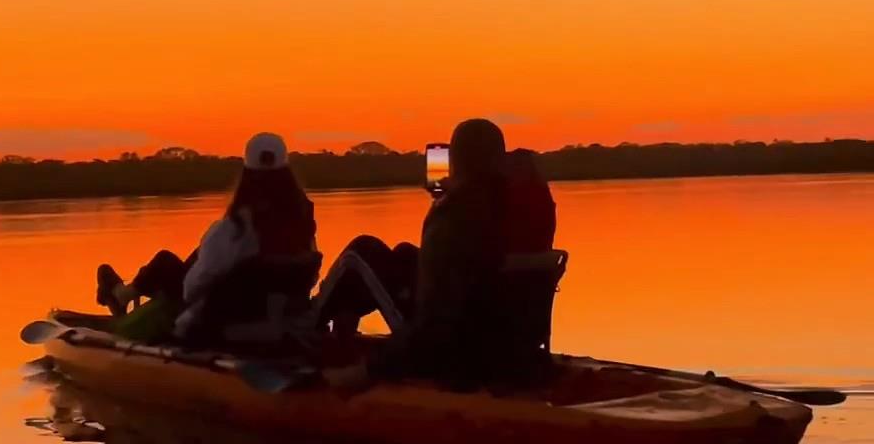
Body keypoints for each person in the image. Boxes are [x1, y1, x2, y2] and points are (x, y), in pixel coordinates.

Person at [318, 118, 558, 391]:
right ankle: (340, 339)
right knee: (405, 254)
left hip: (456, 346)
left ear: (457, 160)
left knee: (361, 253)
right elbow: (479, 247)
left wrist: (366, 372)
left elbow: (436, 320)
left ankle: (309, 330)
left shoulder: (457, 218)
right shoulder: (521, 202)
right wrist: (453, 196)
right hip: (507, 331)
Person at [95, 133, 319, 345]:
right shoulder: (304, 228)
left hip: (221, 321)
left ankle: (122, 297)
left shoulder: (232, 229)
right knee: (180, 262)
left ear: (246, 175)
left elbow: (191, 289)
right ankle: (124, 296)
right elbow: (309, 279)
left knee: (166, 263)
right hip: (281, 321)